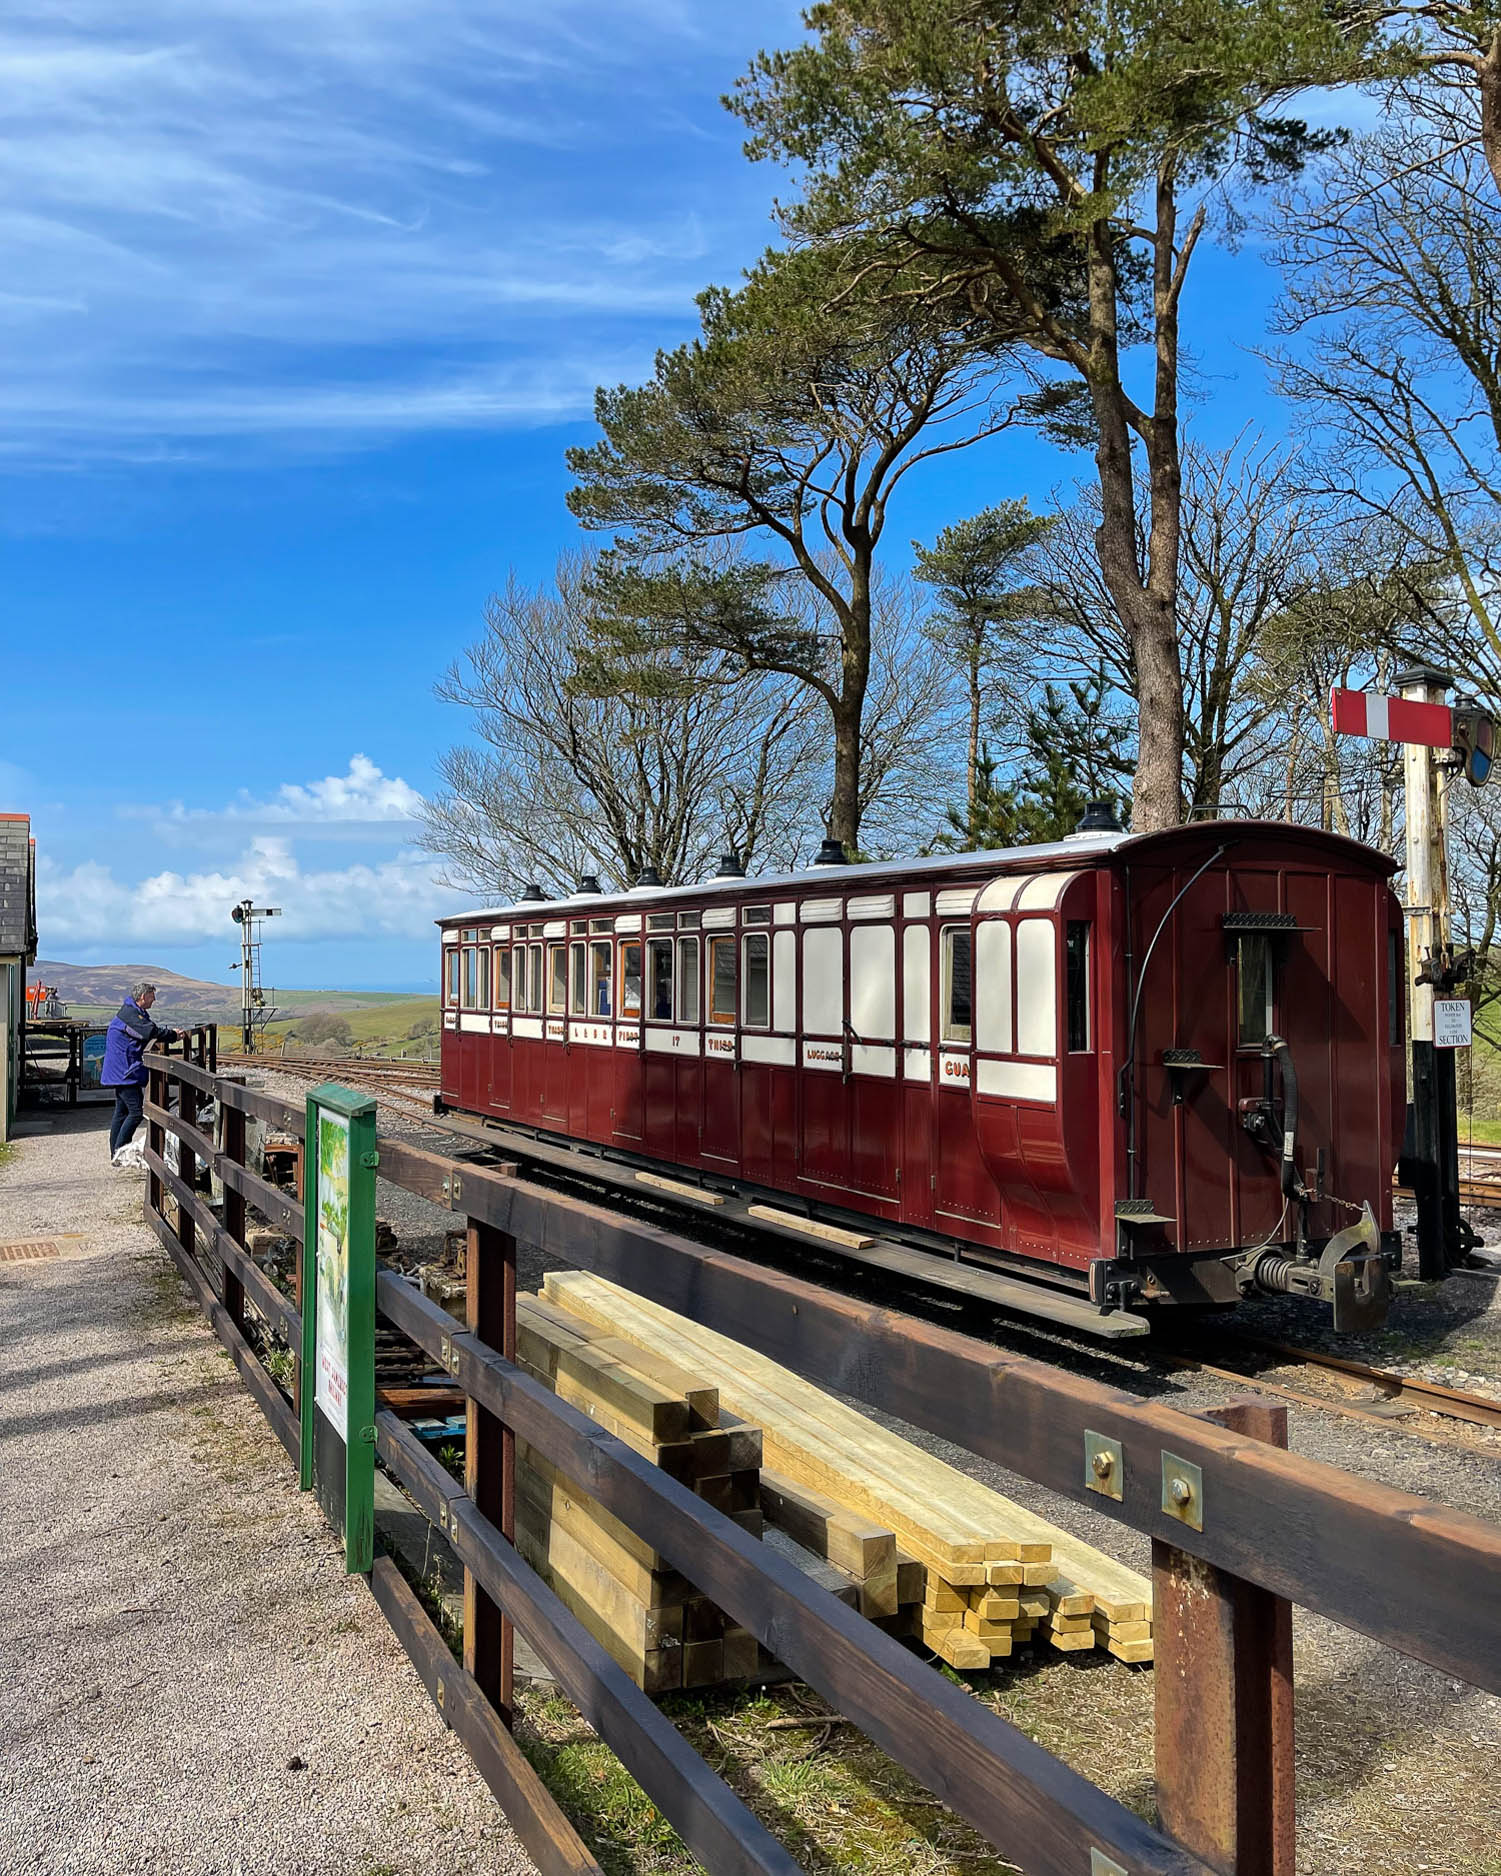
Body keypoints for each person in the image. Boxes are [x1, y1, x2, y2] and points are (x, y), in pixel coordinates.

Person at [101, 981, 179, 1161]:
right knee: (136, 1112)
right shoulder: (131, 1015)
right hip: (125, 1071)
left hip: (122, 1070)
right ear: (143, 997)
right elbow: (149, 1032)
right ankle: (120, 1153)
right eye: (152, 996)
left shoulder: (132, 1012)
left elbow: (148, 1030)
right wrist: (174, 1035)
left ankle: (116, 1152)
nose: (154, 1000)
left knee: (121, 1112)